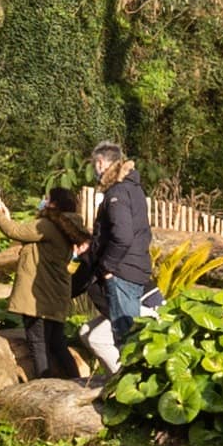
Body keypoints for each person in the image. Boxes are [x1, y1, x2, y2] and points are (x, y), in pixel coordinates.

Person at [82, 142, 155, 372]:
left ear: (101, 163)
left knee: (126, 341)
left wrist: (107, 267)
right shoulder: (133, 189)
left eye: (95, 165)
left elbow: (122, 236)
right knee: (123, 339)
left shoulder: (117, 192)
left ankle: (128, 395)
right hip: (130, 268)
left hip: (122, 272)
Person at [17, 184, 88, 380]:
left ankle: (45, 384)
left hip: (41, 295)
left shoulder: (48, 227)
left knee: (38, 343)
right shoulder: (72, 229)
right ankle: (75, 381)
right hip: (59, 295)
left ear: (54, 204)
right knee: (57, 343)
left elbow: (15, 231)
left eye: (47, 199)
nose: (44, 202)